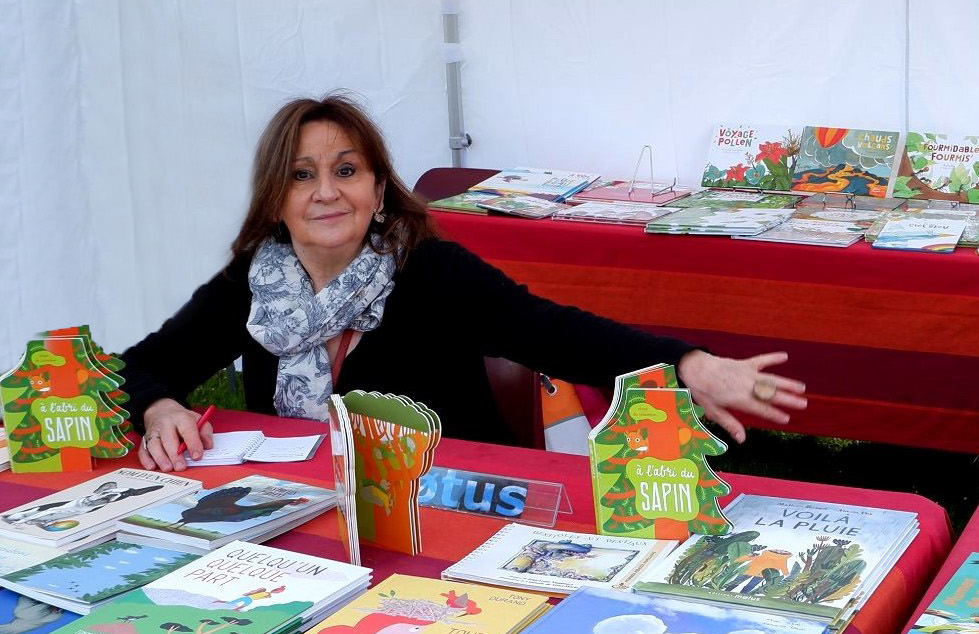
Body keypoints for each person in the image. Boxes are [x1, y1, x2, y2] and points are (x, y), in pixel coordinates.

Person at [122, 95, 806, 471]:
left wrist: (688, 365)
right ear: (276, 198)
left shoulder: (429, 270)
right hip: (306, 513)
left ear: (379, 191)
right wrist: (159, 408)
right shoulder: (254, 283)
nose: (325, 191)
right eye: (302, 175)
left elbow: (557, 334)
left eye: (346, 170)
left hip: (454, 509)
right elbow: (140, 366)